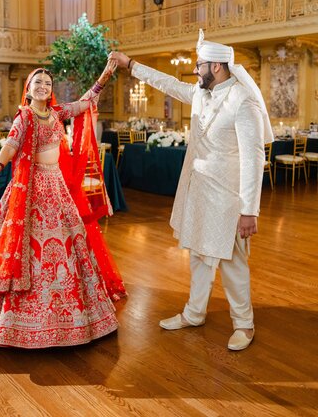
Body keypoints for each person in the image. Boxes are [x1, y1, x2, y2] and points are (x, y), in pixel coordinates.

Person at [110, 29, 273, 351]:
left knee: (231, 262)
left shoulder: (243, 101)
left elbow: (254, 158)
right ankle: (194, 313)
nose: (195, 70)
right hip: (198, 192)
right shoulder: (201, 93)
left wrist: (249, 210)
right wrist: (131, 64)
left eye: (200, 65)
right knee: (198, 256)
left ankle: (244, 324)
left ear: (216, 66)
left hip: (229, 197)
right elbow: (168, 84)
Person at [0, 61, 122, 349]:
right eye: (38, 82)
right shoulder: (24, 116)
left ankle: (68, 320)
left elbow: (84, 103)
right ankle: (14, 323)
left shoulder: (56, 113)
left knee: (68, 250)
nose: (43, 87)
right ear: (29, 89)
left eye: (48, 84)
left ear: (51, 91)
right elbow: (10, 147)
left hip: (57, 187)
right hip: (30, 191)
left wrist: (104, 75)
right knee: (26, 250)